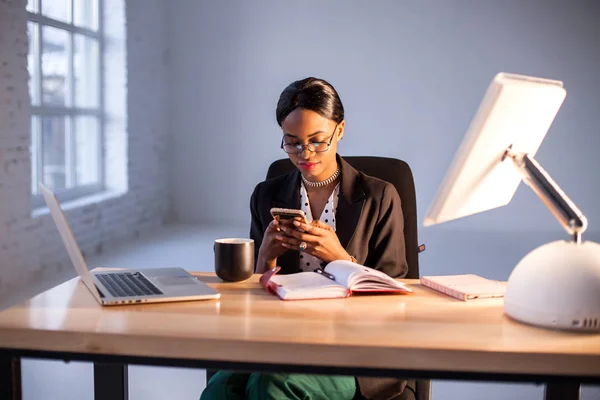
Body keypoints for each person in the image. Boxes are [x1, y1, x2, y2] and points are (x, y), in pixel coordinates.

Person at [201, 77, 411, 400]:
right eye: (292, 142)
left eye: (317, 140)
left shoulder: (380, 197)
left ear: (339, 131)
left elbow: (397, 300)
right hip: (281, 337)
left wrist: (340, 257)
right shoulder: (266, 195)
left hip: (356, 349)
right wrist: (265, 260)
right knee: (220, 386)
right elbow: (251, 298)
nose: (304, 153)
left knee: (272, 384)